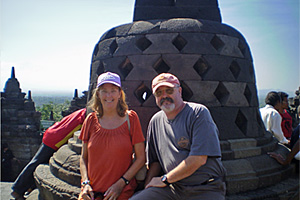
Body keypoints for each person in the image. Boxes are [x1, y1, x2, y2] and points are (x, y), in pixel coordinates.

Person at [130, 73, 226, 200]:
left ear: (179, 91)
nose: (164, 96)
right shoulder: (156, 121)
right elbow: (155, 162)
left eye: (169, 90)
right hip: (172, 188)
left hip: (204, 188)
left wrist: (165, 179)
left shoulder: (198, 113)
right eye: (159, 93)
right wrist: (148, 186)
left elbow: (199, 159)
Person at [78, 72, 146, 200]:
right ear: (98, 94)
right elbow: (83, 157)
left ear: (120, 94)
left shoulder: (130, 119)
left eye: (113, 90)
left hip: (121, 191)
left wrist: (121, 183)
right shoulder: (91, 120)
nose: (109, 95)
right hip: (91, 192)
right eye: (104, 91)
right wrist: (85, 183)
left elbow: (141, 158)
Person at [11, 108, 86, 200]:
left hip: (53, 132)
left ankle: (28, 187)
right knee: (36, 163)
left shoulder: (82, 111)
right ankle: (17, 190)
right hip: (55, 139)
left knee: (39, 162)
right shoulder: (88, 116)